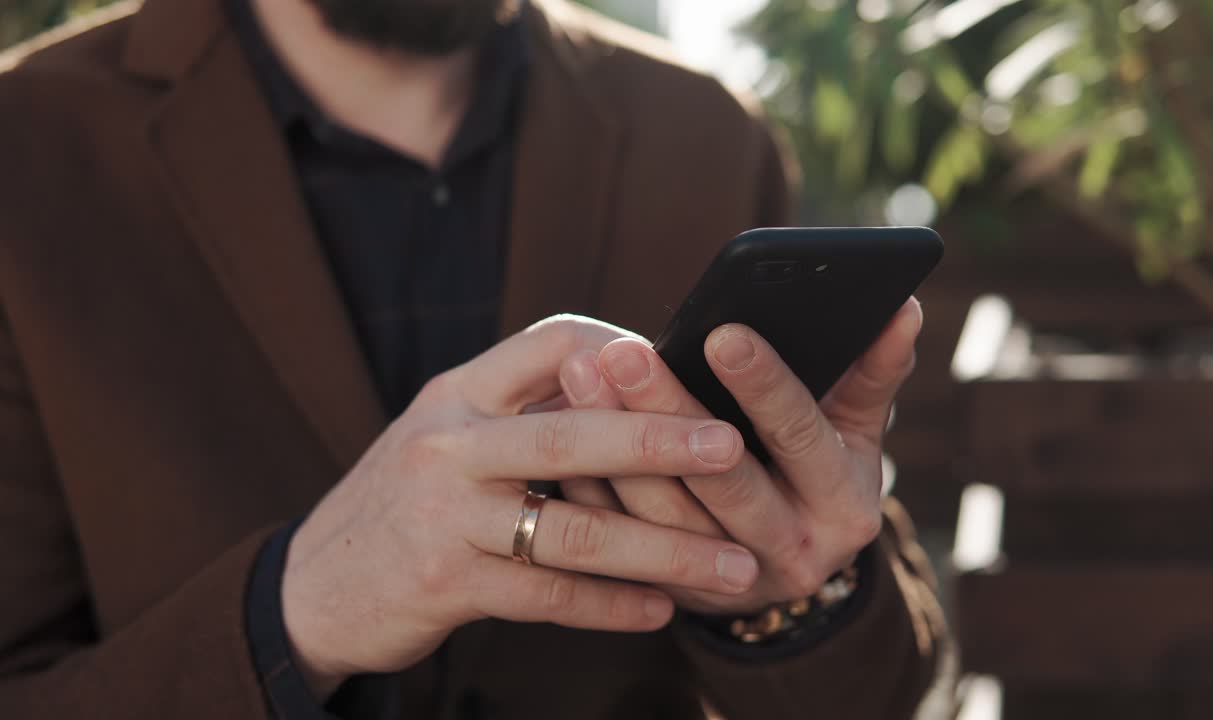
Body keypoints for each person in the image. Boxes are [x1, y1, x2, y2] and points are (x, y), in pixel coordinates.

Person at [0, 0, 948, 717]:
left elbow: (889, 692)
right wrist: (294, 611)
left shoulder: (703, 133)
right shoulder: (31, 147)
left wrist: (795, 598)